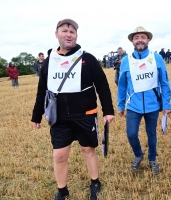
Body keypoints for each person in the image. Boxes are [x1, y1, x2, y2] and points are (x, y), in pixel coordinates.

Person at [31, 18, 115, 200]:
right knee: (59, 156)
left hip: (86, 115)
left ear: (76, 35)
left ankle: (95, 182)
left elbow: (102, 86)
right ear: (57, 34)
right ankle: (62, 190)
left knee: (88, 151)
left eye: (72, 32)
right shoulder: (49, 62)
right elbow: (42, 90)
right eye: (64, 31)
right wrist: (36, 115)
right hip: (59, 118)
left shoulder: (88, 59)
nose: (68, 35)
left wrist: (108, 110)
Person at [118, 26, 171, 174]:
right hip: (133, 106)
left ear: (148, 40)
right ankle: (138, 155)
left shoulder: (157, 58)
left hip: (153, 104)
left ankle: (152, 158)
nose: (140, 40)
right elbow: (122, 85)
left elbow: (165, 83)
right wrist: (121, 105)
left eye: (143, 37)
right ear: (132, 41)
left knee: (151, 134)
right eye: (136, 38)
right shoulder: (125, 61)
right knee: (131, 134)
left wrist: (166, 104)